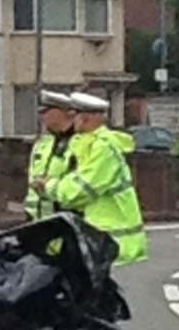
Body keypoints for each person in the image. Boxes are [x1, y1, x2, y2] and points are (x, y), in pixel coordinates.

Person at [31, 92, 148, 266]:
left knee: (93, 291)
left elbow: (79, 191)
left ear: (84, 119)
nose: (73, 119)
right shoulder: (88, 144)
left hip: (106, 238)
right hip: (94, 237)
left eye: (75, 114)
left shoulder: (103, 147)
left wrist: (48, 186)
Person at [25, 90, 76, 221]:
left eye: (45, 112)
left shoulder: (81, 144)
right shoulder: (42, 145)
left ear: (62, 112)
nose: (41, 117)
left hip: (66, 222)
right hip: (39, 224)